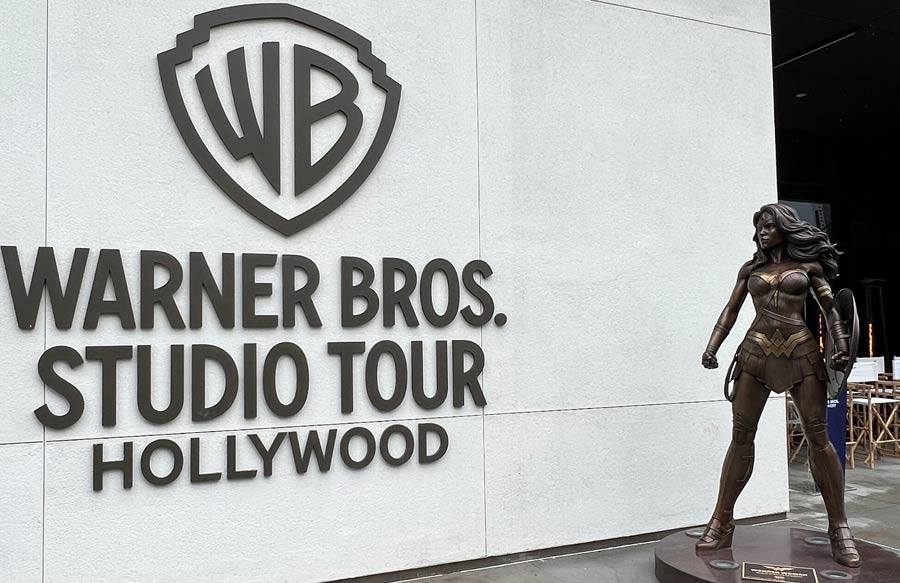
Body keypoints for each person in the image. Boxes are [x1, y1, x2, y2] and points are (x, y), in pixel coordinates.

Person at [697, 203, 858, 568]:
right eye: (759, 227)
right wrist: (711, 347)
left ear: (785, 227)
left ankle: (839, 526)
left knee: (819, 440)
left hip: (801, 354)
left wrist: (842, 344)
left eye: (769, 224)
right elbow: (731, 310)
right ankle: (722, 520)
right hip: (755, 355)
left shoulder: (809, 267)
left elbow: (831, 308)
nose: (762, 231)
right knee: (741, 437)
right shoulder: (751, 269)